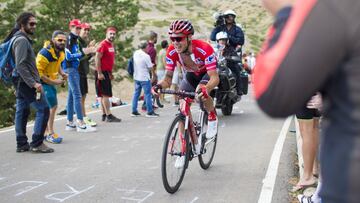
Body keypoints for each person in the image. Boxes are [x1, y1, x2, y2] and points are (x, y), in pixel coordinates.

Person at [254, 0, 360, 202]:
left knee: (307, 130)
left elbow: (272, 94)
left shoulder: (336, 9)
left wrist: (286, 14)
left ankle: (309, 176)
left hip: (349, 181)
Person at [153, 19, 220, 168]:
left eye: (179, 38)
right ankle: (184, 150)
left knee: (201, 91)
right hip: (190, 75)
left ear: (189, 37)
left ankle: (212, 116)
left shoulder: (204, 48)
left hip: (206, 74)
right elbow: (168, 79)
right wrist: (158, 86)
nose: (175, 42)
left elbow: (215, 78)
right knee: (183, 108)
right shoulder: (171, 51)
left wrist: (206, 88)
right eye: (172, 38)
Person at [5, 12, 53, 153]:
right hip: (26, 81)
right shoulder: (21, 40)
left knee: (22, 110)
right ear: (22, 25)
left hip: (20, 81)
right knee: (43, 109)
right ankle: (37, 143)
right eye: (31, 24)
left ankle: (22, 144)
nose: (34, 26)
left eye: (35, 23)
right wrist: (34, 83)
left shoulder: (18, 39)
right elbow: (20, 65)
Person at [64, 19, 96, 132]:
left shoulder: (74, 39)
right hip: (72, 68)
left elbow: (76, 54)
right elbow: (68, 56)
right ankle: (81, 123)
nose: (78, 30)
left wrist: (86, 51)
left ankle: (69, 122)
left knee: (72, 96)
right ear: (71, 27)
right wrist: (85, 52)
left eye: (79, 28)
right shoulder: (70, 38)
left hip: (73, 68)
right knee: (77, 95)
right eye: (76, 28)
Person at [36, 30, 68, 144]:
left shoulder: (59, 52)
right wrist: (54, 82)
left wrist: (62, 73)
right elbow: (39, 74)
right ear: (53, 39)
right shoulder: (45, 54)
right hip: (42, 84)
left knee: (49, 108)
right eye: (60, 40)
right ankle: (49, 133)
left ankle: (45, 133)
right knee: (51, 108)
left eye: (64, 40)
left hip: (50, 83)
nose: (62, 42)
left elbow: (58, 64)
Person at [95, 26, 121, 122]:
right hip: (102, 72)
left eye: (114, 34)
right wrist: (99, 73)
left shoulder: (110, 45)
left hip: (106, 72)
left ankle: (104, 114)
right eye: (110, 33)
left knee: (103, 95)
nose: (112, 35)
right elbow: (97, 58)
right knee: (105, 95)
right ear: (106, 34)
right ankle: (109, 115)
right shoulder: (103, 44)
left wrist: (110, 73)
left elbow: (109, 60)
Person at [131, 40, 159, 117]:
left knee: (136, 94)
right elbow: (150, 67)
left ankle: (134, 111)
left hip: (136, 76)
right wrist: (154, 75)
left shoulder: (136, 53)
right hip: (144, 77)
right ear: (146, 47)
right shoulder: (146, 56)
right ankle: (150, 112)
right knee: (148, 94)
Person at [78, 22, 97, 127]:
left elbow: (85, 58)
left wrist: (90, 52)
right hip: (78, 72)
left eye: (88, 30)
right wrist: (90, 50)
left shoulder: (83, 42)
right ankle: (82, 118)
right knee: (81, 96)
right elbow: (79, 58)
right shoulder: (78, 42)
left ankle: (80, 118)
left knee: (83, 95)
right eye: (84, 29)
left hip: (83, 72)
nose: (86, 32)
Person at [215, 31, 243, 96]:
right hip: (216, 67)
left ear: (227, 41)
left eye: (224, 40)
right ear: (217, 41)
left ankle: (239, 89)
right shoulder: (214, 49)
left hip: (228, 66)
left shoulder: (230, 48)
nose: (222, 41)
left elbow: (236, 57)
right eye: (220, 40)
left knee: (236, 70)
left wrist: (230, 58)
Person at [142, 31, 161, 111]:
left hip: (144, 71)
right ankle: (147, 105)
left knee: (148, 88)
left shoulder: (146, 48)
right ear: (154, 38)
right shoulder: (152, 49)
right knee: (152, 88)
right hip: (149, 71)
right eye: (156, 38)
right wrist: (154, 74)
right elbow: (151, 63)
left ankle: (146, 104)